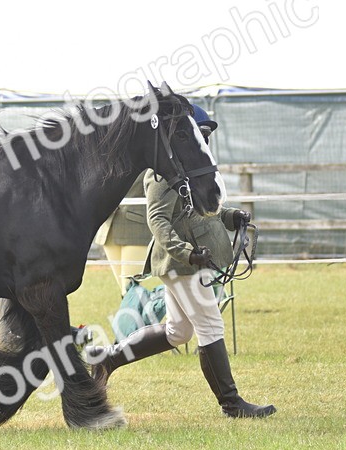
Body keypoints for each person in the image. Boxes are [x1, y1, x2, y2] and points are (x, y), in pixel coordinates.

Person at [88, 105, 276, 419]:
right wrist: (186, 252)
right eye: (201, 134)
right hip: (182, 263)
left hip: (190, 260)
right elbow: (158, 220)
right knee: (210, 325)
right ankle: (231, 403)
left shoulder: (194, 171)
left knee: (178, 332)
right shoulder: (164, 174)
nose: (206, 140)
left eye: (207, 135)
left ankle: (107, 359)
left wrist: (231, 217)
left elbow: (202, 215)